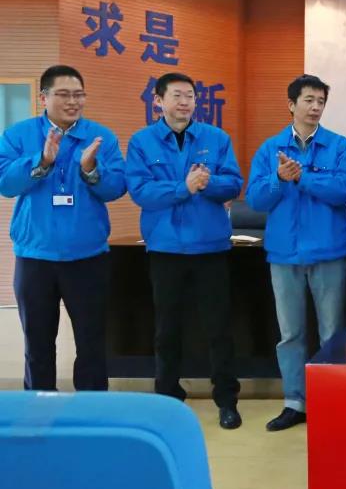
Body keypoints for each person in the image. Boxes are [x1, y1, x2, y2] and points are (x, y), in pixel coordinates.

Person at [126, 72, 244, 429]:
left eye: (190, 96)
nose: (184, 102)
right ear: (158, 101)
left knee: (219, 328)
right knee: (167, 329)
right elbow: (141, 191)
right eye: (177, 95)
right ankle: (167, 399)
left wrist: (208, 183)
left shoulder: (216, 138)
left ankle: (226, 399)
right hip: (166, 249)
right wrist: (184, 187)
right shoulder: (142, 142)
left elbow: (234, 184)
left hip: (210, 248)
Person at [0, 64, 126, 391]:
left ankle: (91, 409)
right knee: (38, 342)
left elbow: (116, 188)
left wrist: (91, 169)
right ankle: (40, 408)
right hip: (35, 256)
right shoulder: (18, 135)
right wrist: (41, 161)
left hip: (88, 256)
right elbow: (6, 184)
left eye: (79, 95)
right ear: (43, 98)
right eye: (64, 94)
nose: (73, 101)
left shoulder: (101, 137)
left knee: (92, 342)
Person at [247, 74, 346, 431]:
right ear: (291, 104)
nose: (315, 107)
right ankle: (295, 402)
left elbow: (344, 190)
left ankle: (334, 402)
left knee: (332, 333)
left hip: (328, 253)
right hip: (284, 254)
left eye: (320, 101)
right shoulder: (270, 149)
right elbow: (255, 199)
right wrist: (279, 178)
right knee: (290, 335)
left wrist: (302, 178)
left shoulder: (339, 146)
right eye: (308, 100)